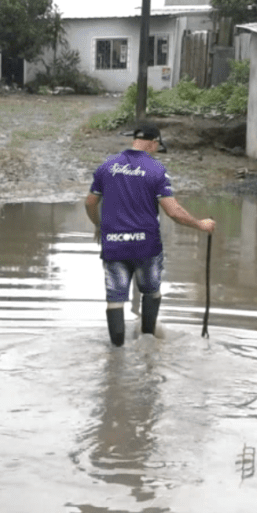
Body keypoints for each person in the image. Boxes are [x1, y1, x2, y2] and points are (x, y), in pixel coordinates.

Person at [85, 123, 216, 346]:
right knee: (151, 292)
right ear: (154, 144)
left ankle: (116, 354)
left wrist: (99, 225)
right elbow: (173, 212)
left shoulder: (106, 166)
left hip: (114, 246)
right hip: (146, 247)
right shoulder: (156, 170)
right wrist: (200, 225)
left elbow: (90, 202)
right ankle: (148, 343)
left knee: (115, 300)